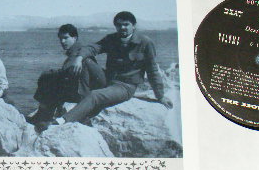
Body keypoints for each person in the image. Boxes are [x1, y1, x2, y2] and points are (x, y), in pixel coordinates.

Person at [37, 11, 173, 131]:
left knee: (94, 95)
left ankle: (61, 122)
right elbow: (92, 48)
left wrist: (160, 96)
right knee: (86, 60)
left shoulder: (145, 43)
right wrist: (79, 58)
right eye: (119, 25)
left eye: (126, 24)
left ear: (134, 25)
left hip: (125, 86)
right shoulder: (112, 39)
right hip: (108, 79)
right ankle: (83, 99)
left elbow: (152, 70)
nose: (122, 28)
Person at [27, 24, 106, 124]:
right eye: (60, 38)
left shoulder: (78, 53)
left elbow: (65, 71)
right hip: (81, 90)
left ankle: (43, 116)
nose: (62, 41)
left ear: (74, 38)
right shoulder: (78, 51)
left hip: (82, 94)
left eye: (65, 38)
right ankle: (43, 115)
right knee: (51, 81)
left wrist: (46, 75)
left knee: (48, 80)